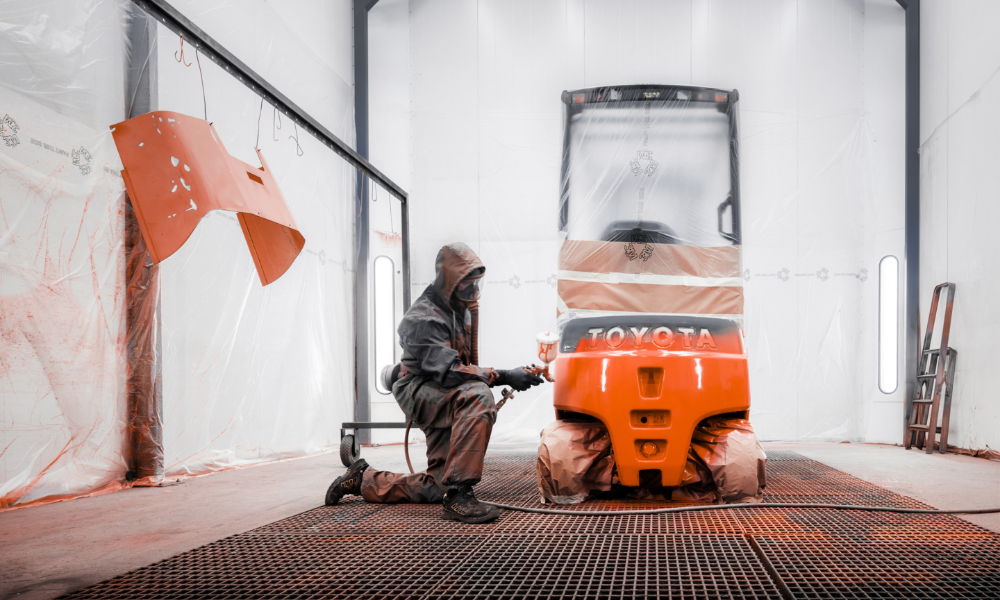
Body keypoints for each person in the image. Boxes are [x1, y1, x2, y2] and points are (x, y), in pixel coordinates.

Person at [324, 242, 544, 523]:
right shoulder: (423, 317)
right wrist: (504, 376)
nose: (474, 290)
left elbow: (461, 364)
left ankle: (362, 479)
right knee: (478, 396)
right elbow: (450, 371)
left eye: (477, 283)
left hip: (442, 390)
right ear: (449, 281)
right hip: (420, 390)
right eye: (467, 283)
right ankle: (459, 496)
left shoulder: (458, 307)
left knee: (438, 484)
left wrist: (505, 376)